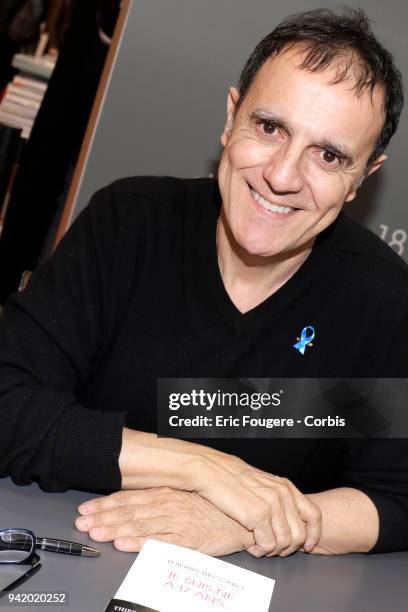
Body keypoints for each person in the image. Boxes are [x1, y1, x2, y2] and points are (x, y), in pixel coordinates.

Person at [0, 7, 407, 558]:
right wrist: (203, 468)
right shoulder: (130, 224)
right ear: (231, 116)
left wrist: (243, 522)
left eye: (329, 155)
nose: (283, 177)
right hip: (74, 547)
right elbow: (9, 403)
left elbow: (397, 497)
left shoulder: (381, 301)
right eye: (269, 127)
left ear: (363, 177)